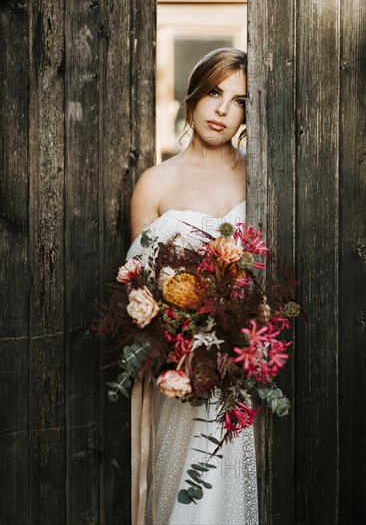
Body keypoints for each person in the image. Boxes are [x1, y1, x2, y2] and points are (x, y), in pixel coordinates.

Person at [127, 48, 259, 525]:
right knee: (183, 487)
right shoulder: (154, 184)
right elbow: (137, 292)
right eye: (214, 93)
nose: (223, 110)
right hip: (181, 371)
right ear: (194, 96)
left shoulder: (261, 178)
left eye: (239, 100)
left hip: (245, 370)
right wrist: (182, 339)